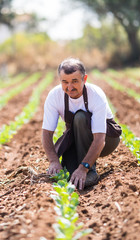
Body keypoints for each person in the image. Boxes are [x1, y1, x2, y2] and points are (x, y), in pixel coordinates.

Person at [42, 58, 121, 190]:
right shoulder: (54, 96)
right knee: (68, 173)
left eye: (75, 81)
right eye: (65, 82)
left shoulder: (95, 95)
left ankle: (91, 172)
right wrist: (54, 161)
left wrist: (84, 168)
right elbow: (46, 133)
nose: (70, 87)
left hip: (108, 140)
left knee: (80, 118)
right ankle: (76, 166)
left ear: (84, 79)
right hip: (77, 138)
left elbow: (100, 140)